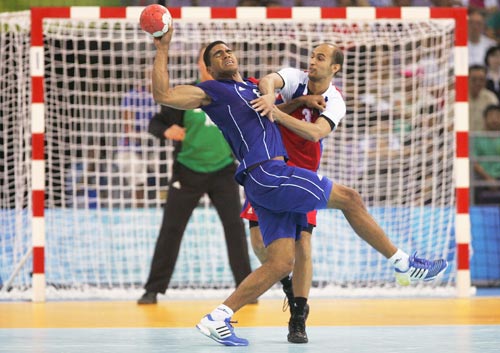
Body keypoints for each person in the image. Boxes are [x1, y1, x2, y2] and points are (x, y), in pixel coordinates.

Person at [150, 26, 448, 346]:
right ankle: (402, 263)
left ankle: (218, 317)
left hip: (262, 181)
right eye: (217, 54)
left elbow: (271, 106)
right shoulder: (213, 90)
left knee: (281, 262)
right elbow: (164, 95)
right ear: (209, 67)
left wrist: (297, 101)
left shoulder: (251, 88)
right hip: (269, 171)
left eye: (228, 50)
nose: (226, 54)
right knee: (350, 198)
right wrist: (163, 47)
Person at [239, 45, 346, 344]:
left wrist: (274, 111)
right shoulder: (294, 79)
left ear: (334, 68)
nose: (312, 61)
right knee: (260, 242)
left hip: (304, 178)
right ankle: (286, 281)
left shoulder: (335, 101)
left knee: (304, 244)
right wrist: (288, 98)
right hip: (270, 172)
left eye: (320, 58)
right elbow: (268, 82)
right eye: (312, 56)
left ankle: (298, 315)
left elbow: (314, 133)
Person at [137, 46, 253, 305]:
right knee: (171, 229)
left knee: (235, 228)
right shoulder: (190, 94)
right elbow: (156, 121)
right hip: (187, 172)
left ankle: (246, 290)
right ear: (203, 65)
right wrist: (167, 131)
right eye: (211, 57)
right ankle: (153, 289)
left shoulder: (235, 93)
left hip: (224, 171)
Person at [472, 104, 500, 204]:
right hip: (482, 178)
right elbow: (474, 163)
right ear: (485, 118)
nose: (495, 119)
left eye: (498, 116)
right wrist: (488, 178)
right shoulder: (476, 138)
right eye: (491, 116)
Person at [469, 65, 499, 132]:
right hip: (460, 139)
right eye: (474, 79)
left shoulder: (491, 98)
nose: (478, 83)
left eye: (481, 80)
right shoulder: (455, 97)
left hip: (484, 140)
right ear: (467, 79)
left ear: (486, 81)